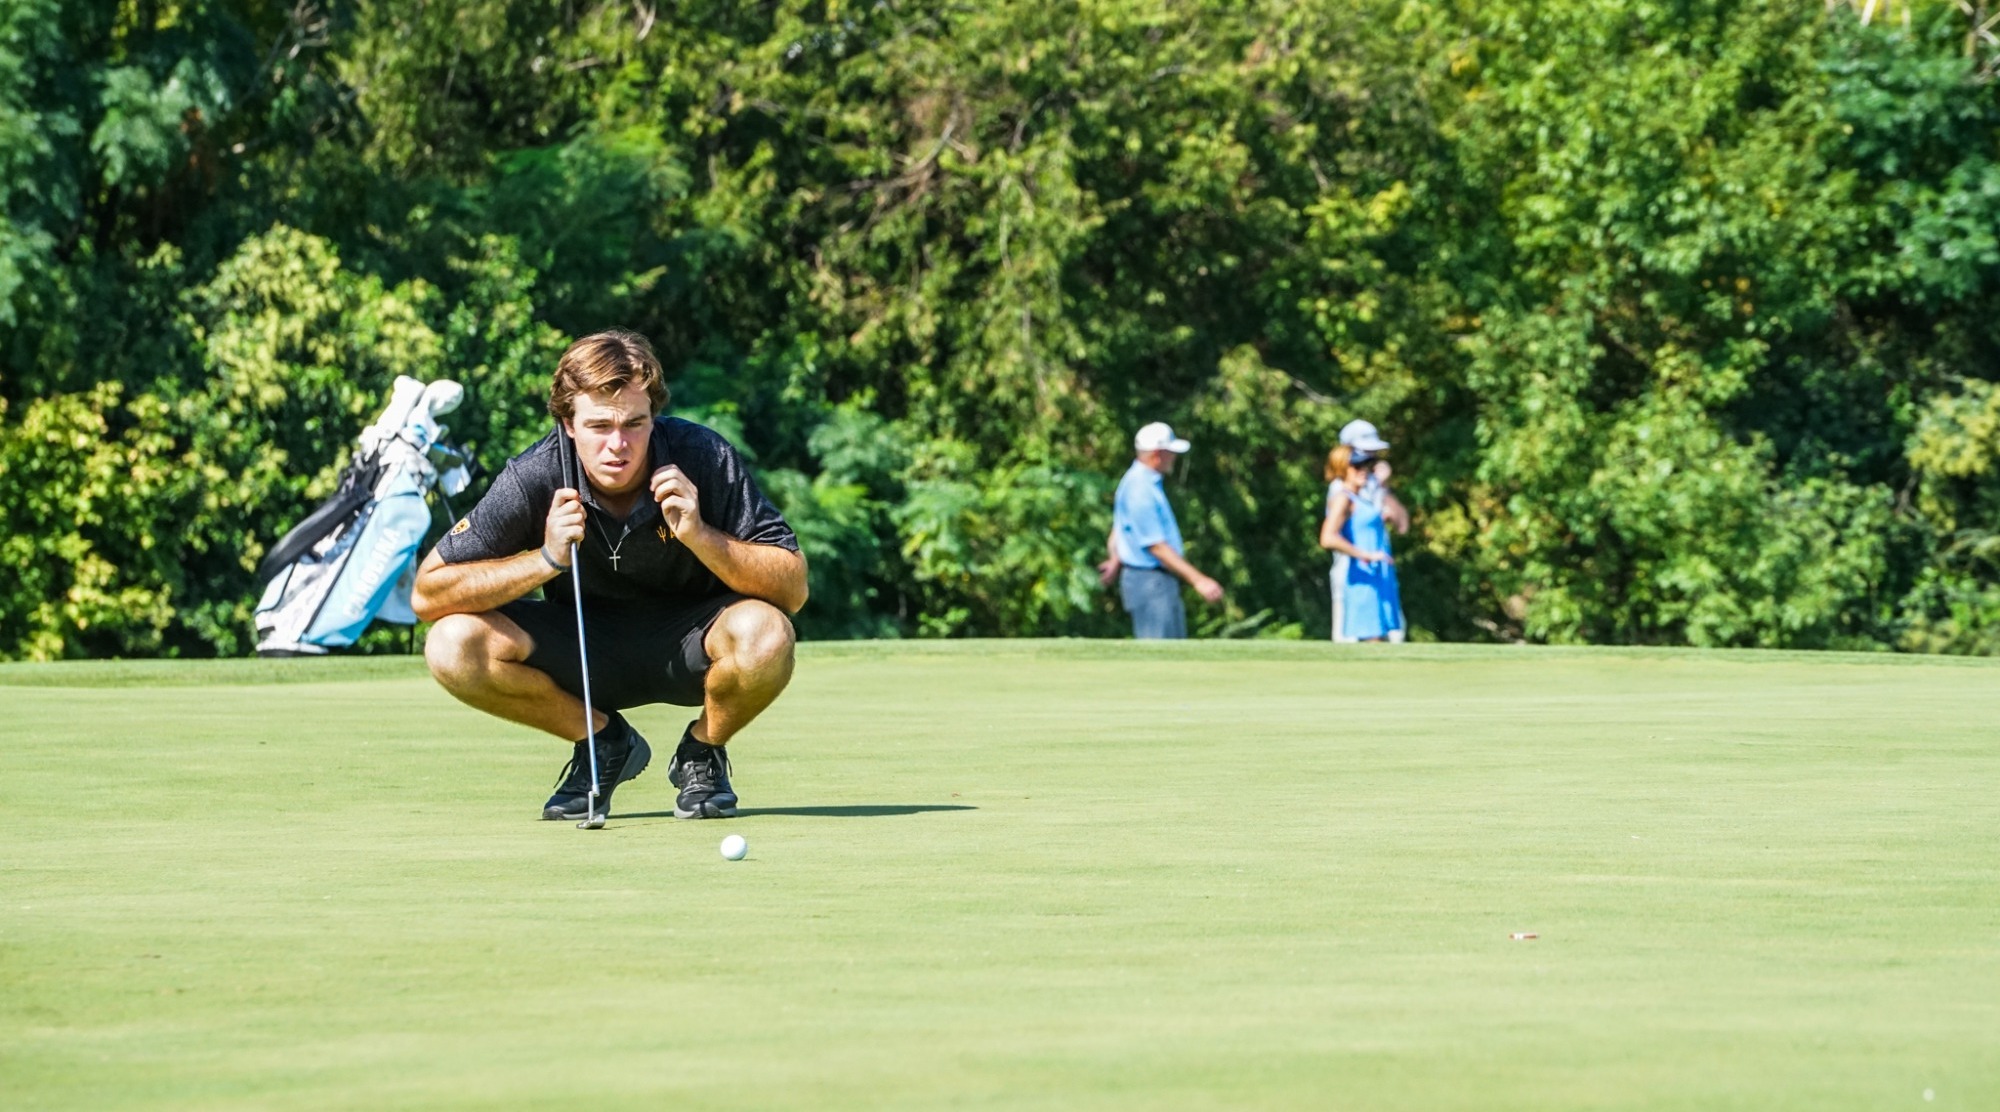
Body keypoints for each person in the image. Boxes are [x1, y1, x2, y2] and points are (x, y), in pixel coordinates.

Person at [412, 329, 808, 822]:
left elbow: (793, 588)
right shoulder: (535, 473)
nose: (618, 445)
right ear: (568, 422)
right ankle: (603, 742)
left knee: (767, 633)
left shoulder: (701, 455)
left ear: (653, 417)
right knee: (451, 643)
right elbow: (428, 593)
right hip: (580, 647)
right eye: (599, 425)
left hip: (692, 643)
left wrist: (700, 535)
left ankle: (702, 751)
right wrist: (545, 559)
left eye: (635, 424)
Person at [1096, 421, 1224, 638]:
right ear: (1157, 454)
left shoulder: (1139, 482)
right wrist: (1198, 580)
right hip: (1150, 583)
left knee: (1172, 657)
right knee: (1161, 660)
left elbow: (1121, 528)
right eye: (1170, 452)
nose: (1174, 457)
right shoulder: (1140, 489)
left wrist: (1115, 559)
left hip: (1153, 582)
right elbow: (1156, 547)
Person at [1327, 420, 1409, 643]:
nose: (1369, 462)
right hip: (1353, 571)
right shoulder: (1341, 490)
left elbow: (1403, 524)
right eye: (1363, 456)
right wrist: (1365, 555)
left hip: (1380, 570)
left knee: (1392, 636)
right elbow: (1328, 537)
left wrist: (1383, 486)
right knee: (1351, 639)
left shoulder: (1373, 484)